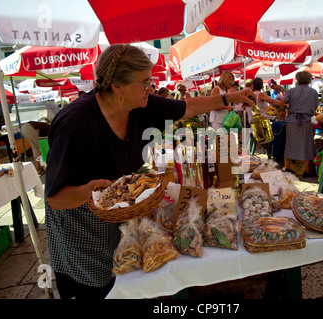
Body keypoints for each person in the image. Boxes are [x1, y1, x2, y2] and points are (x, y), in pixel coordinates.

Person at [44, 43, 255, 299]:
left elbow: (188, 107)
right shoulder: (76, 124)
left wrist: (229, 98)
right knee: (96, 287)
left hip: (120, 216)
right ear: (117, 87)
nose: (151, 88)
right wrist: (90, 191)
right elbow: (55, 198)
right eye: (144, 82)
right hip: (80, 227)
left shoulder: (141, 106)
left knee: (127, 276)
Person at [277, 71, 319, 176]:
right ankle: (307, 170)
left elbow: (281, 102)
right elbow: (314, 108)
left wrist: (282, 111)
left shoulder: (291, 91)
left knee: (290, 143)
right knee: (307, 144)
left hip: (292, 120)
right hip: (306, 120)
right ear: (309, 79)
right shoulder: (313, 92)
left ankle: (288, 167)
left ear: (297, 79)